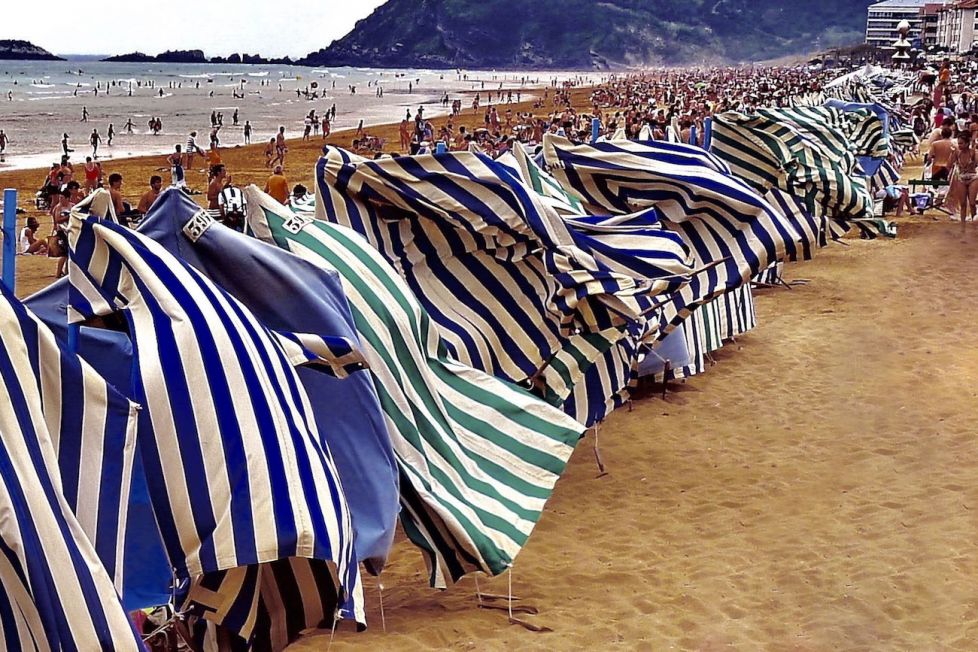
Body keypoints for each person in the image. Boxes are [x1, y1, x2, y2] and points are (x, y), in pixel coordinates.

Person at [950, 131, 978, 222]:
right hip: (961, 178)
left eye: (961, 143)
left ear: (967, 143)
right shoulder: (957, 153)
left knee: (972, 203)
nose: (959, 145)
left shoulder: (974, 153)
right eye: (958, 143)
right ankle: (963, 226)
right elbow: (948, 165)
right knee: (963, 204)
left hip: (973, 177)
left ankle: (974, 224)